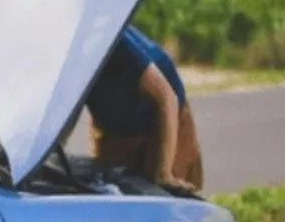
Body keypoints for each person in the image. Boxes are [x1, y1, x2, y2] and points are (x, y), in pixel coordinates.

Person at [84, 25, 204, 193]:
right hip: (116, 125)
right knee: (111, 189)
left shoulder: (116, 43)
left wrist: (164, 173)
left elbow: (167, 98)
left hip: (164, 117)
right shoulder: (62, 57)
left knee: (167, 191)